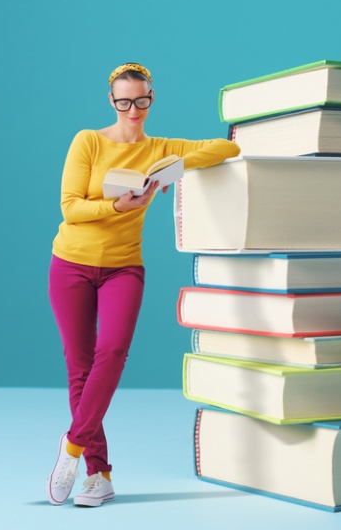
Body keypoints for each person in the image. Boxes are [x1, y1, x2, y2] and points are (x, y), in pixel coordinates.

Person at [46, 62, 239, 507]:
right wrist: (116, 206)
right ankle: (99, 474)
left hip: (123, 267)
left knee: (111, 352)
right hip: (70, 264)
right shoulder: (89, 141)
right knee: (80, 369)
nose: (134, 109)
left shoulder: (160, 148)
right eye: (124, 101)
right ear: (112, 102)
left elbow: (224, 150)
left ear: (153, 98)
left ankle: (71, 447)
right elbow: (70, 207)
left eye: (142, 100)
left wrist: (173, 169)